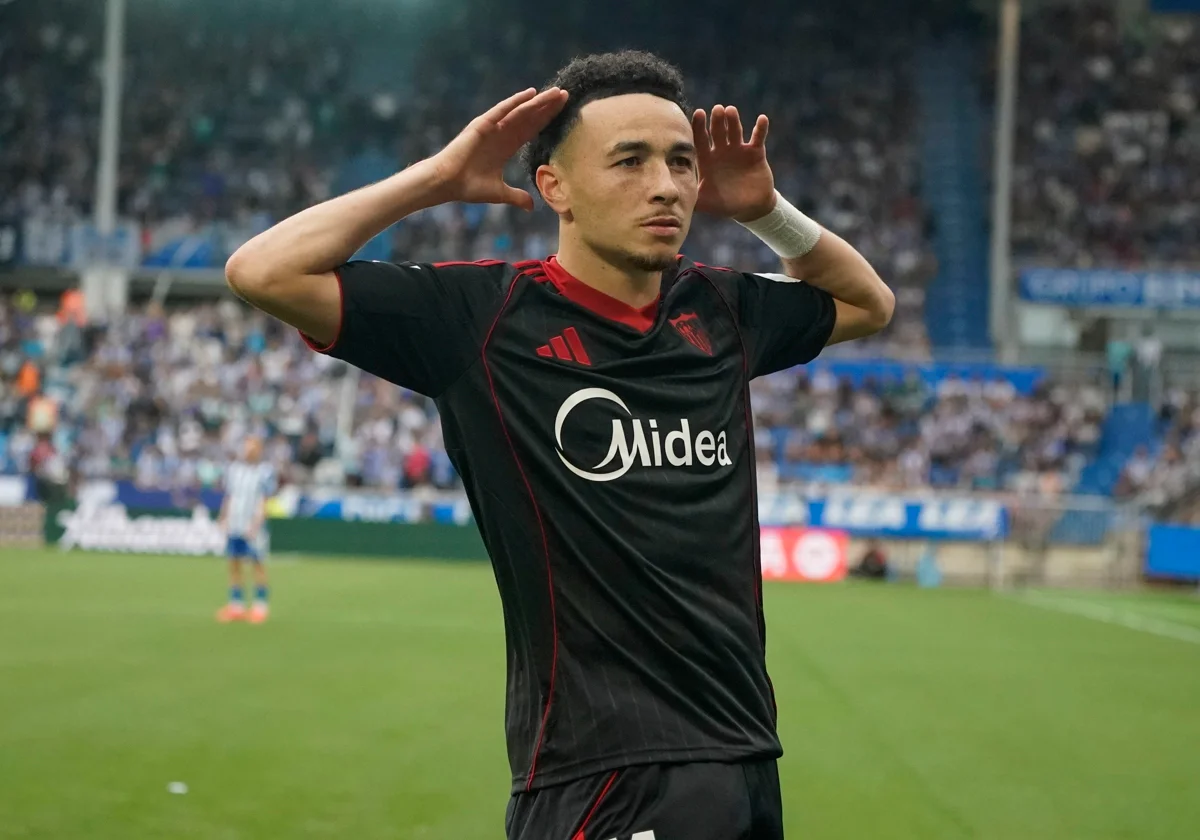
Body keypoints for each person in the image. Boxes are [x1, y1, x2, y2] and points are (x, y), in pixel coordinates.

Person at [225, 51, 893, 839]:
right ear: (554, 187)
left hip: (745, 763)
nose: (665, 185)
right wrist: (437, 178)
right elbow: (262, 271)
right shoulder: (479, 318)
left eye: (681, 162)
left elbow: (869, 303)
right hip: (601, 773)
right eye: (630, 161)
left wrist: (766, 211)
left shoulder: (721, 310)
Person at [215, 435, 275, 624]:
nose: (248, 451)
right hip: (235, 523)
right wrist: (223, 517)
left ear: (259, 450)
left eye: (252, 448)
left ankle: (260, 606)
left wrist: (257, 524)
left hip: (253, 526)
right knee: (234, 563)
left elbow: (265, 500)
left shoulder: (265, 472)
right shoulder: (234, 470)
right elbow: (230, 496)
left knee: (257, 564)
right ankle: (236, 606)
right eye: (246, 447)